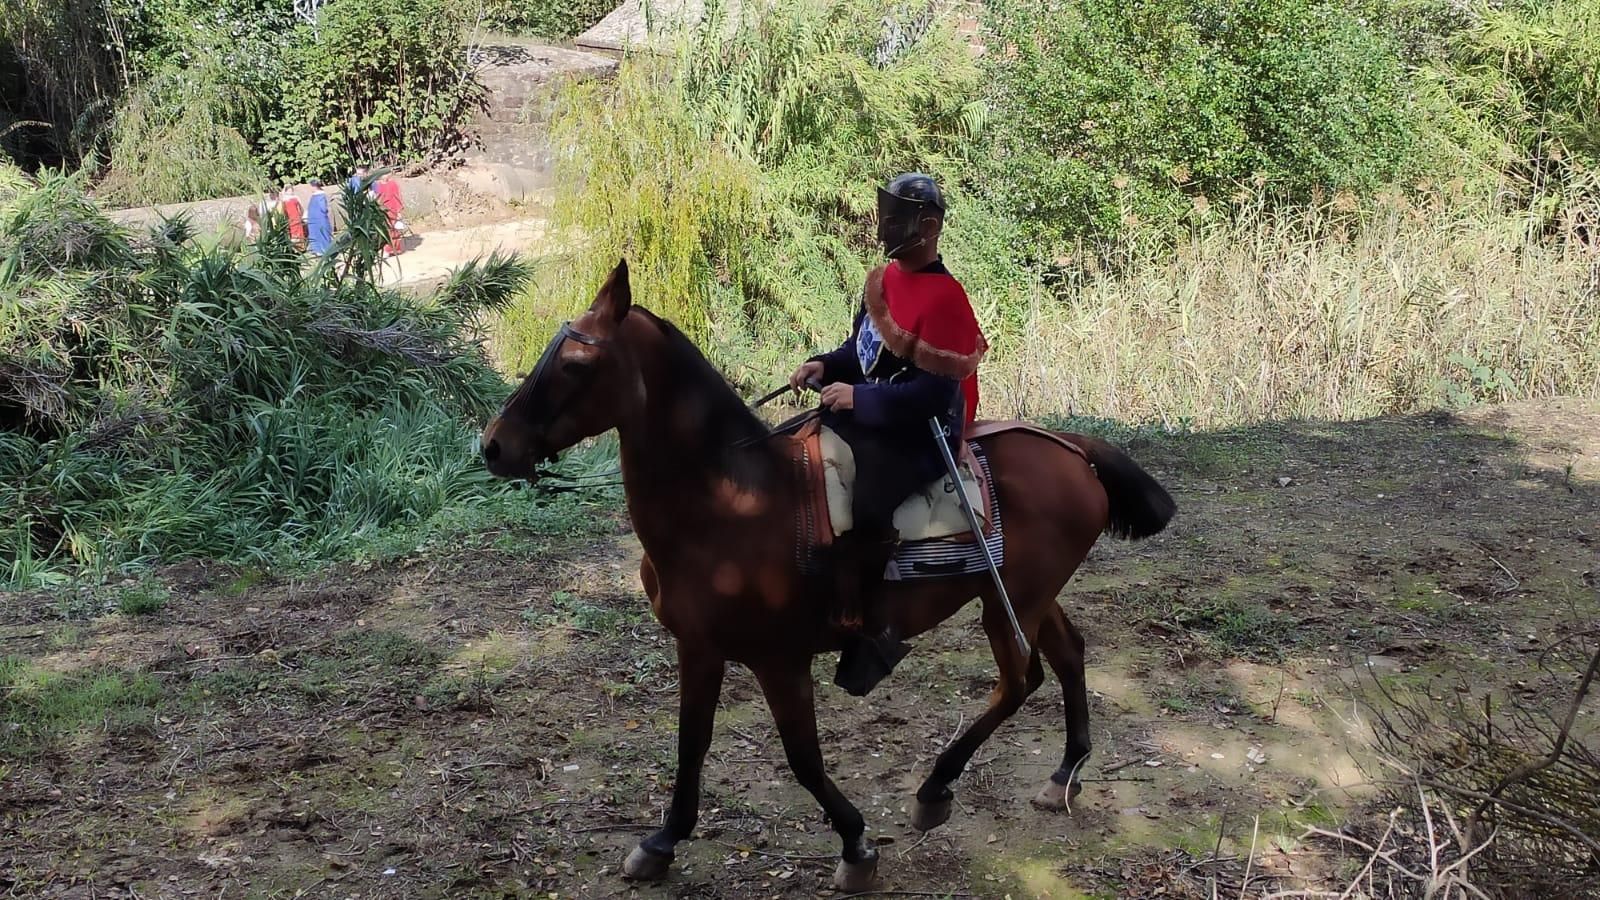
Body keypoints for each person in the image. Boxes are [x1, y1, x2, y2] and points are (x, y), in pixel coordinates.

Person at [788, 172, 986, 697]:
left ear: (930, 226)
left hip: (920, 431)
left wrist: (860, 398)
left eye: (897, 218)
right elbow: (862, 354)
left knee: (870, 497)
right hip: (875, 413)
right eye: (886, 215)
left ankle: (870, 625)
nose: (885, 226)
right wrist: (825, 366)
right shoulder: (882, 280)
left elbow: (932, 394)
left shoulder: (946, 299)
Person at [374, 173, 405, 257]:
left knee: (395, 230)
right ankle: (385, 248)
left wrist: (399, 211)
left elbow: (398, 196)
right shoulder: (377, 185)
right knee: (385, 229)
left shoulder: (393, 184)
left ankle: (394, 249)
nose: (385, 176)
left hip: (393, 209)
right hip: (382, 210)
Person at [305, 178, 333, 255]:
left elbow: (323, 208)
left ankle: (323, 250)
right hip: (313, 220)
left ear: (314, 186)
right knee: (314, 234)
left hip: (319, 220)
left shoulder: (320, 196)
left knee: (321, 234)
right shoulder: (314, 196)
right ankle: (316, 250)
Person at [280, 186, 307, 251]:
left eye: (291, 190)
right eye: (289, 190)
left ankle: (301, 247)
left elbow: (300, 207)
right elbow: (284, 210)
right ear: (286, 191)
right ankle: (295, 248)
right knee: (293, 232)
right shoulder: (284, 199)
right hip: (290, 218)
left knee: (299, 231)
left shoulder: (296, 197)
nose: (290, 192)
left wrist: (301, 215)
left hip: (297, 217)